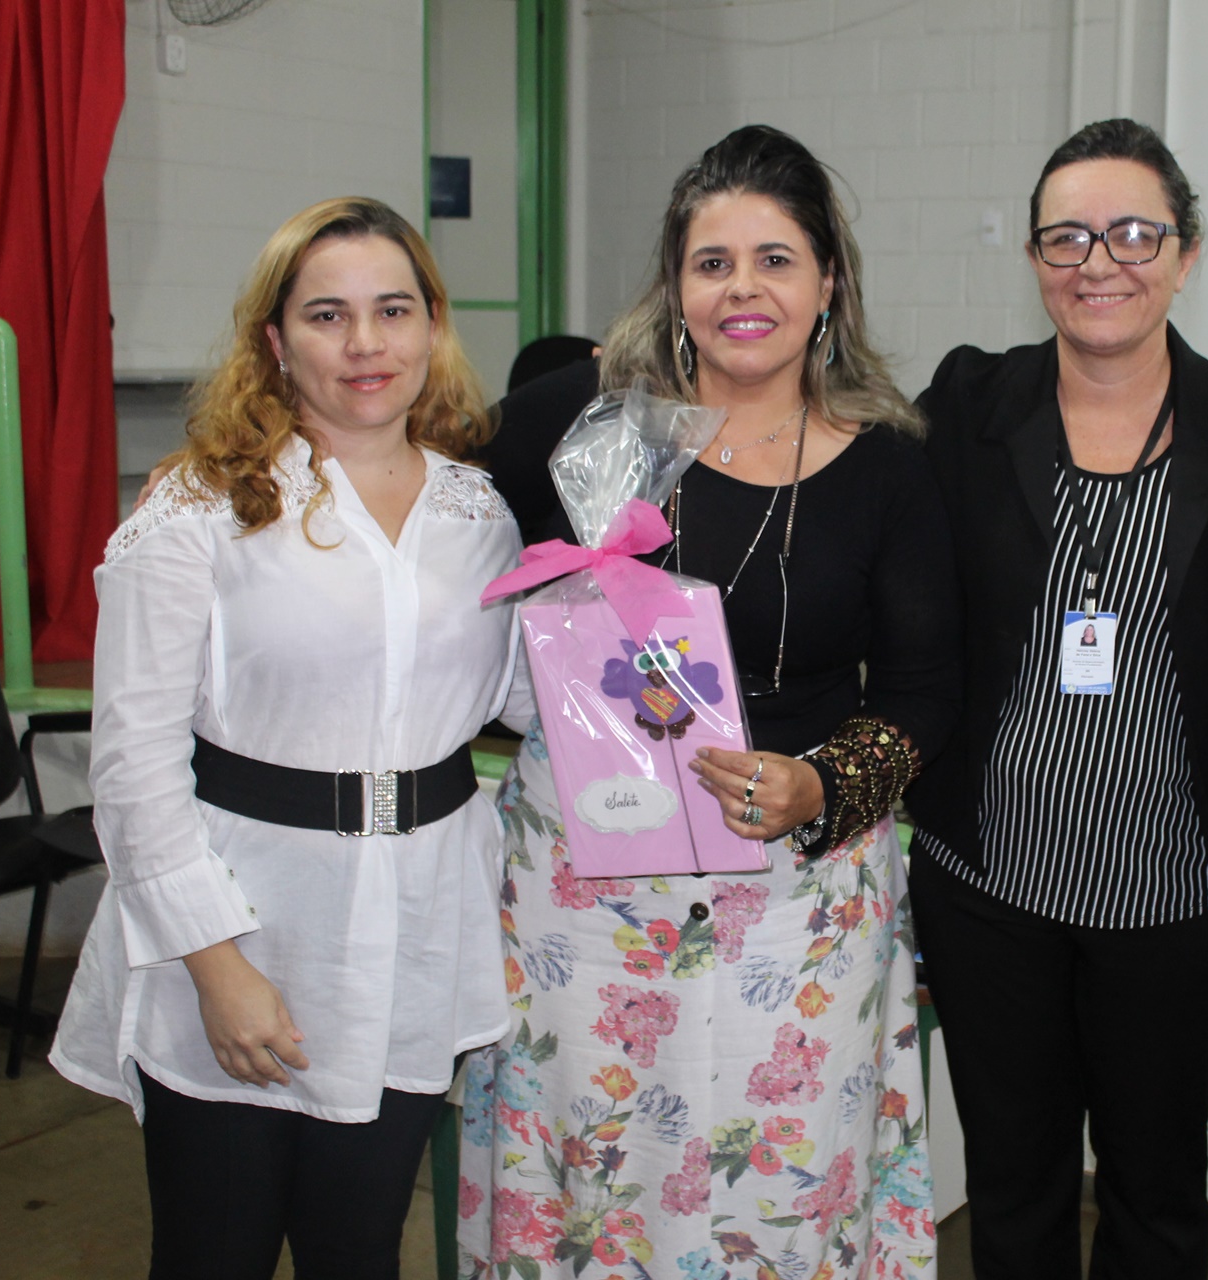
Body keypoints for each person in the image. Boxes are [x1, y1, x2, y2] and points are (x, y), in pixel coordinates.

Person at [456, 124, 955, 1277]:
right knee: (594, 1182)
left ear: (829, 283)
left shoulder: (885, 464)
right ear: (675, 286)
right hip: (590, 898)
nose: (743, 289)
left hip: (798, 904)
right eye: (712, 262)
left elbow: (927, 689)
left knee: (777, 1192)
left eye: (776, 259)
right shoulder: (591, 424)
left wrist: (823, 783)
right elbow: (429, 499)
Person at [50, 197, 526, 1280]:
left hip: (412, 937)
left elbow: (517, 697)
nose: (365, 343)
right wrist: (216, 966)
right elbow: (131, 766)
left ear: (432, 325)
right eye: (326, 315)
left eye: (393, 310)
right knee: (213, 1252)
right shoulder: (201, 508)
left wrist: (630, 627)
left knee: (358, 1250)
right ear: (275, 340)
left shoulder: (478, 515)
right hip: (247, 930)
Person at [904, 118, 1208, 1279]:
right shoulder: (966, 407)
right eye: (1068, 237)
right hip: (992, 885)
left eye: (1136, 234)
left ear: (1186, 254)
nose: (1100, 262)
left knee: (1155, 1193)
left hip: (1180, 893)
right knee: (1013, 1187)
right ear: (1035, 257)